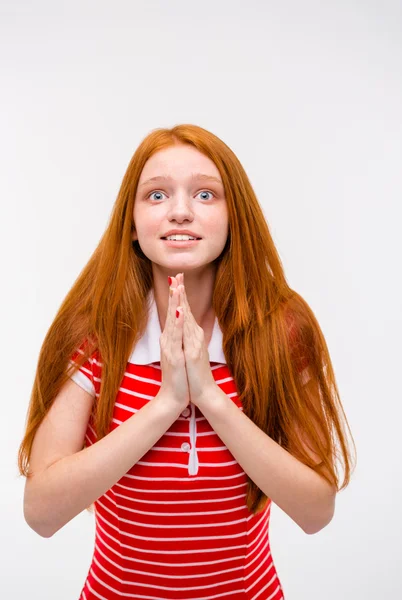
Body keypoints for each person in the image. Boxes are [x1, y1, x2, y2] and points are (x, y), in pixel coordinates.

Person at [18, 124, 356, 599]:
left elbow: (316, 511)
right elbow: (41, 513)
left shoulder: (282, 330)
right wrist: (167, 402)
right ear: (131, 225)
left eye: (205, 194)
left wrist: (211, 396)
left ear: (234, 216)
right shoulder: (93, 335)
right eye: (156, 195)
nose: (180, 212)